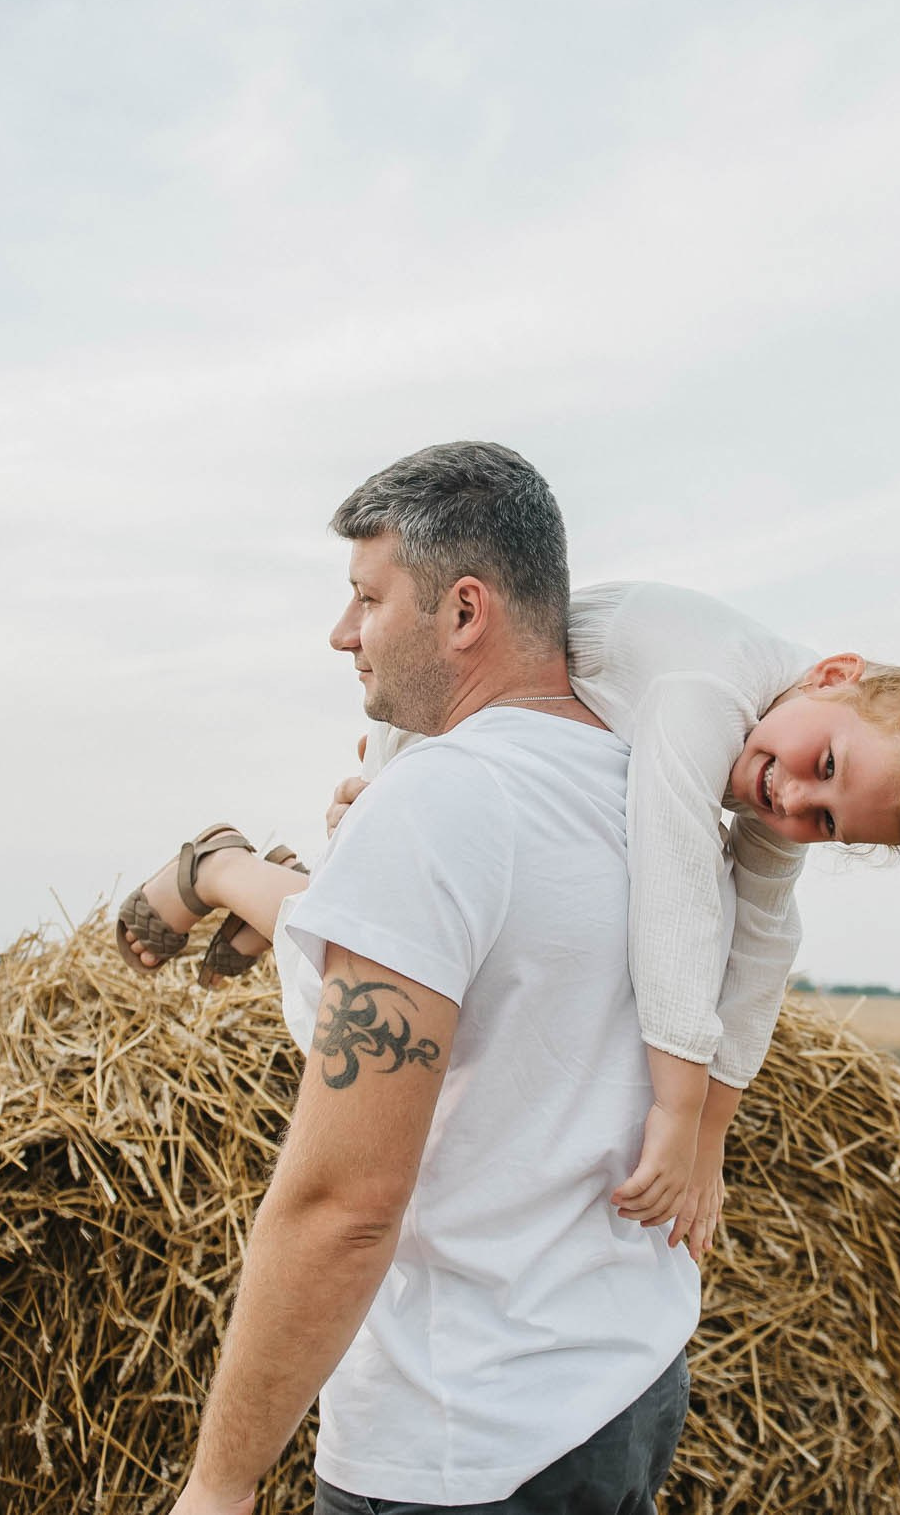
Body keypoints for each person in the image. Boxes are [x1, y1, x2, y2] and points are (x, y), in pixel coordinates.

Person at [122, 588, 900, 1261]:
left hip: (519, 769)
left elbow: (762, 944)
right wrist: (672, 1111)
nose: (794, 803)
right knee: (338, 999)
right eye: (826, 768)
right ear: (837, 674)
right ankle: (222, 867)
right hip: (449, 731)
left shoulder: (781, 751)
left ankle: (289, 876)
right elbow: (675, 876)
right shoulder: (709, 693)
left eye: (829, 821)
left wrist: (709, 1141)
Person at [168, 443, 699, 1515]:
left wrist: (218, 1489)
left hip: (466, 1436)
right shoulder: (646, 789)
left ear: (463, 613)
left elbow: (346, 1202)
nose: (342, 633)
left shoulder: (442, 803)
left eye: (367, 599)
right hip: (620, 1387)